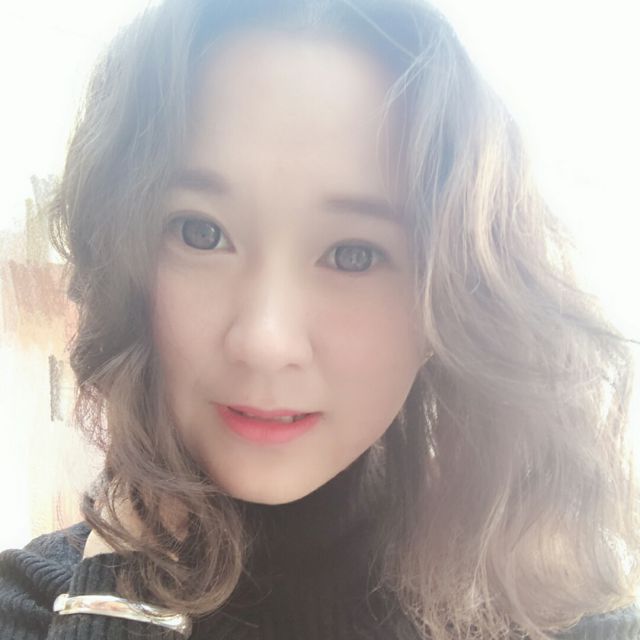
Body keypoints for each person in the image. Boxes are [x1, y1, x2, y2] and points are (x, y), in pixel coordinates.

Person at [1, 0, 639, 638]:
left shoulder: (559, 619)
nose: (265, 340)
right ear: (121, 259)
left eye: (354, 254)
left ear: (454, 296)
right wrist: (120, 601)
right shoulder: (34, 608)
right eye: (200, 232)